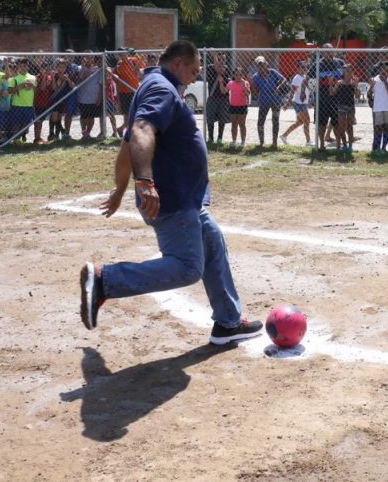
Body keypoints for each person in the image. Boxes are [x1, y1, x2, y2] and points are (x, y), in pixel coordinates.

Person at [83, 40, 264, 345]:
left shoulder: (152, 85)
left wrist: (121, 187)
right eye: (193, 70)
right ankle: (105, 281)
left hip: (187, 198)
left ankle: (228, 323)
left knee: (213, 243)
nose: (195, 77)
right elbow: (140, 130)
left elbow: (128, 142)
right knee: (187, 267)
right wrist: (144, 182)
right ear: (178, 63)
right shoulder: (162, 90)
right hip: (173, 198)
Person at [308, 45, 344, 151]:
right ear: (323, 52)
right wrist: (307, 92)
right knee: (321, 123)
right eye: (327, 51)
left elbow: (345, 77)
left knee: (337, 122)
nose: (329, 53)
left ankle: (338, 144)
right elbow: (308, 78)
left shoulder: (340, 63)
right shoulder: (317, 64)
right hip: (322, 99)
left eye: (331, 51)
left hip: (337, 98)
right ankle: (322, 144)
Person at [250, 56, 285, 149]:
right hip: (263, 101)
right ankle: (261, 142)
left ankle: (274, 143)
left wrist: (278, 87)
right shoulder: (255, 77)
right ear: (256, 66)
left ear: (266, 64)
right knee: (260, 122)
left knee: (275, 120)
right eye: (259, 65)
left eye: (262, 64)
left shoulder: (272, 72)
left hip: (275, 100)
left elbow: (284, 80)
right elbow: (255, 93)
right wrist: (252, 85)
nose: (261, 67)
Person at [280, 59, 311, 146]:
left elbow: (307, 91)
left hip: (302, 103)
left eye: (306, 67)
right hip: (298, 103)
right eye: (302, 67)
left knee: (300, 122)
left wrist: (308, 101)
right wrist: (287, 103)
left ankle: (284, 135)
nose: (305, 69)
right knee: (307, 121)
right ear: (298, 68)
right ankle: (308, 141)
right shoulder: (297, 78)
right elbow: (292, 92)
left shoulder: (305, 77)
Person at [115, 47, 144, 132]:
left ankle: (122, 129)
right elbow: (122, 72)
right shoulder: (119, 64)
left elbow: (142, 64)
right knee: (127, 113)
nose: (123, 55)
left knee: (135, 112)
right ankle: (126, 129)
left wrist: (136, 54)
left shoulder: (133, 60)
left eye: (124, 53)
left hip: (134, 90)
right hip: (124, 91)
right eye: (121, 54)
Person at [369, 61, 388, 155]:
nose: (385, 71)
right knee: (378, 129)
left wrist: (385, 81)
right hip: (378, 108)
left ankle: (384, 148)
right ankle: (377, 148)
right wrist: (371, 87)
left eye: (387, 70)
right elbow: (369, 94)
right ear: (379, 70)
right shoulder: (374, 79)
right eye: (383, 69)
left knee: (387, 128)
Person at [204, 52, 231, 146]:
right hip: (212, 97)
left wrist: (214, 55)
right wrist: (215, 56)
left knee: (222, 119)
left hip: (223, 98)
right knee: (210, 119)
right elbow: (216, 68)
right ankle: (211, 138)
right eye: (219, 59)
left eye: (223, 59)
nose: (221, 62)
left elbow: (220, 71)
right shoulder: (209, 67)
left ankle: (220, 138)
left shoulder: (226, 68)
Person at [8, 58, 37, 143]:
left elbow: (36, 91)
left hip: (29, 105)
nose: (24, 67)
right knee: (16, 123)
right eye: (21, 66)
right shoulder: (14, 78)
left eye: (25, 65)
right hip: (17, 105)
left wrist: (33, 86)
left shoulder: (32, 77)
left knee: (26, 124)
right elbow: (9, 91)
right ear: (18, 66)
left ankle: (21, 136)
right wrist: (20, 86)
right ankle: (16, 140)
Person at [332, 64, 357, 153]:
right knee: (341, 127)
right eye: (346, 70)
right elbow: (332, 93)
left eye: (349, 70)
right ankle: (345, 145)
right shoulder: (339, 82)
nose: (348, 72)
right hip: (341, 106)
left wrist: (356, 86)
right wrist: (330, 83)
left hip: (350, 106)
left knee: (350, 126)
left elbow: (357, 96)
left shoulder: (353, 83)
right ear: (343, 72)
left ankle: (350, 146)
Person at [77, 55, 103, 139]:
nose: (89, 59)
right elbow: (80, 78)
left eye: (91, 57)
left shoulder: (97, 69)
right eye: (87, 57)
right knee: (83, 117)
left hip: (94, 98)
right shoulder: (80, 68)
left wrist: (99, 97)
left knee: (91, 117)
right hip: (82, 98)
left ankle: (88, 133)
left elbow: (100, 85)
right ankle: (84, 133)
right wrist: (83, 67)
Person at [223, 67, 250, 149]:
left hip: (242, 106)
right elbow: (224, 91)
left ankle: (243, 141)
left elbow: (248, 93)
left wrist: (244, 86)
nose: (238, 76)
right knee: (234, 124)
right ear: (234, 75)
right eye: (236, 75)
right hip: (233, 106)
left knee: (242, 124)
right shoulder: (231, 83)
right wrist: (220, 83)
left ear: (243, 75)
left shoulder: (245, 83)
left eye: (240, 75)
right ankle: (234, 141)